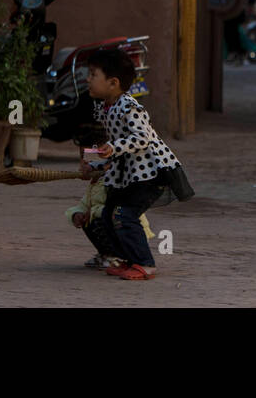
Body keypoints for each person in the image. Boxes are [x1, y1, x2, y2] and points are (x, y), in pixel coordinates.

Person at [80, 48, 194, 280]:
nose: (87, 79)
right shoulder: (106, 107)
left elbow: (142, 138)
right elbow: (112, 144)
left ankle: (145, 264)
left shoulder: (129, 106)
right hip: (129, 175)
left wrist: (114, 148)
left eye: (93, 75)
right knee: (108, 214)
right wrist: (93, 163)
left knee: (123, 214)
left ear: (113, 82)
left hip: (151, 174)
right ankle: (127, 260)